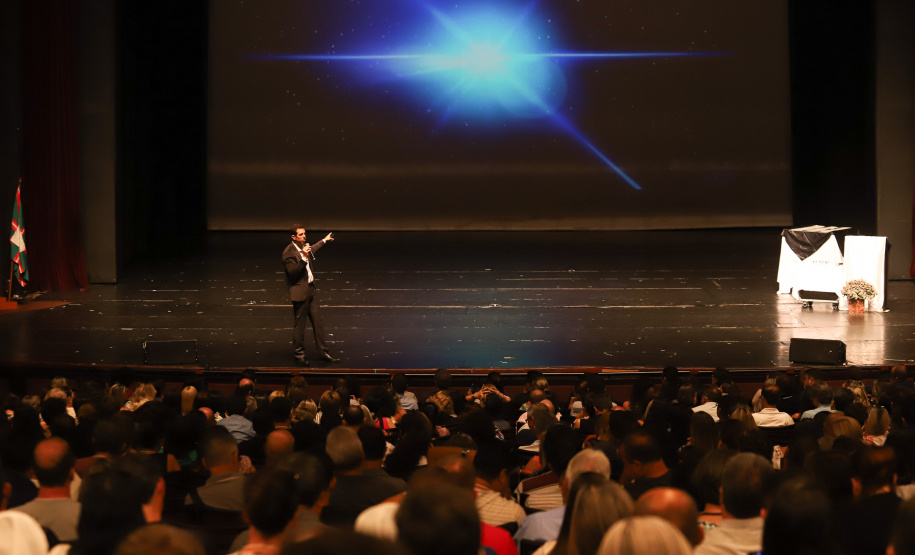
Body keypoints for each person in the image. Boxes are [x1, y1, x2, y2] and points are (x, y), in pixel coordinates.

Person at [282, 224, 338, 366]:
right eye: (301, 234)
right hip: (300, 293)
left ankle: (324, 353)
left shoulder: (304, 247)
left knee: (318, 324)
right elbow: (292, 272)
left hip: (311, 290)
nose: (304, 236)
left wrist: (324, 240)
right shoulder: (288, 252)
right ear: (293, 237)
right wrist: (304, 258)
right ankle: (299, 355)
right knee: (300, 327)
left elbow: (312, 248)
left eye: (304, 233)